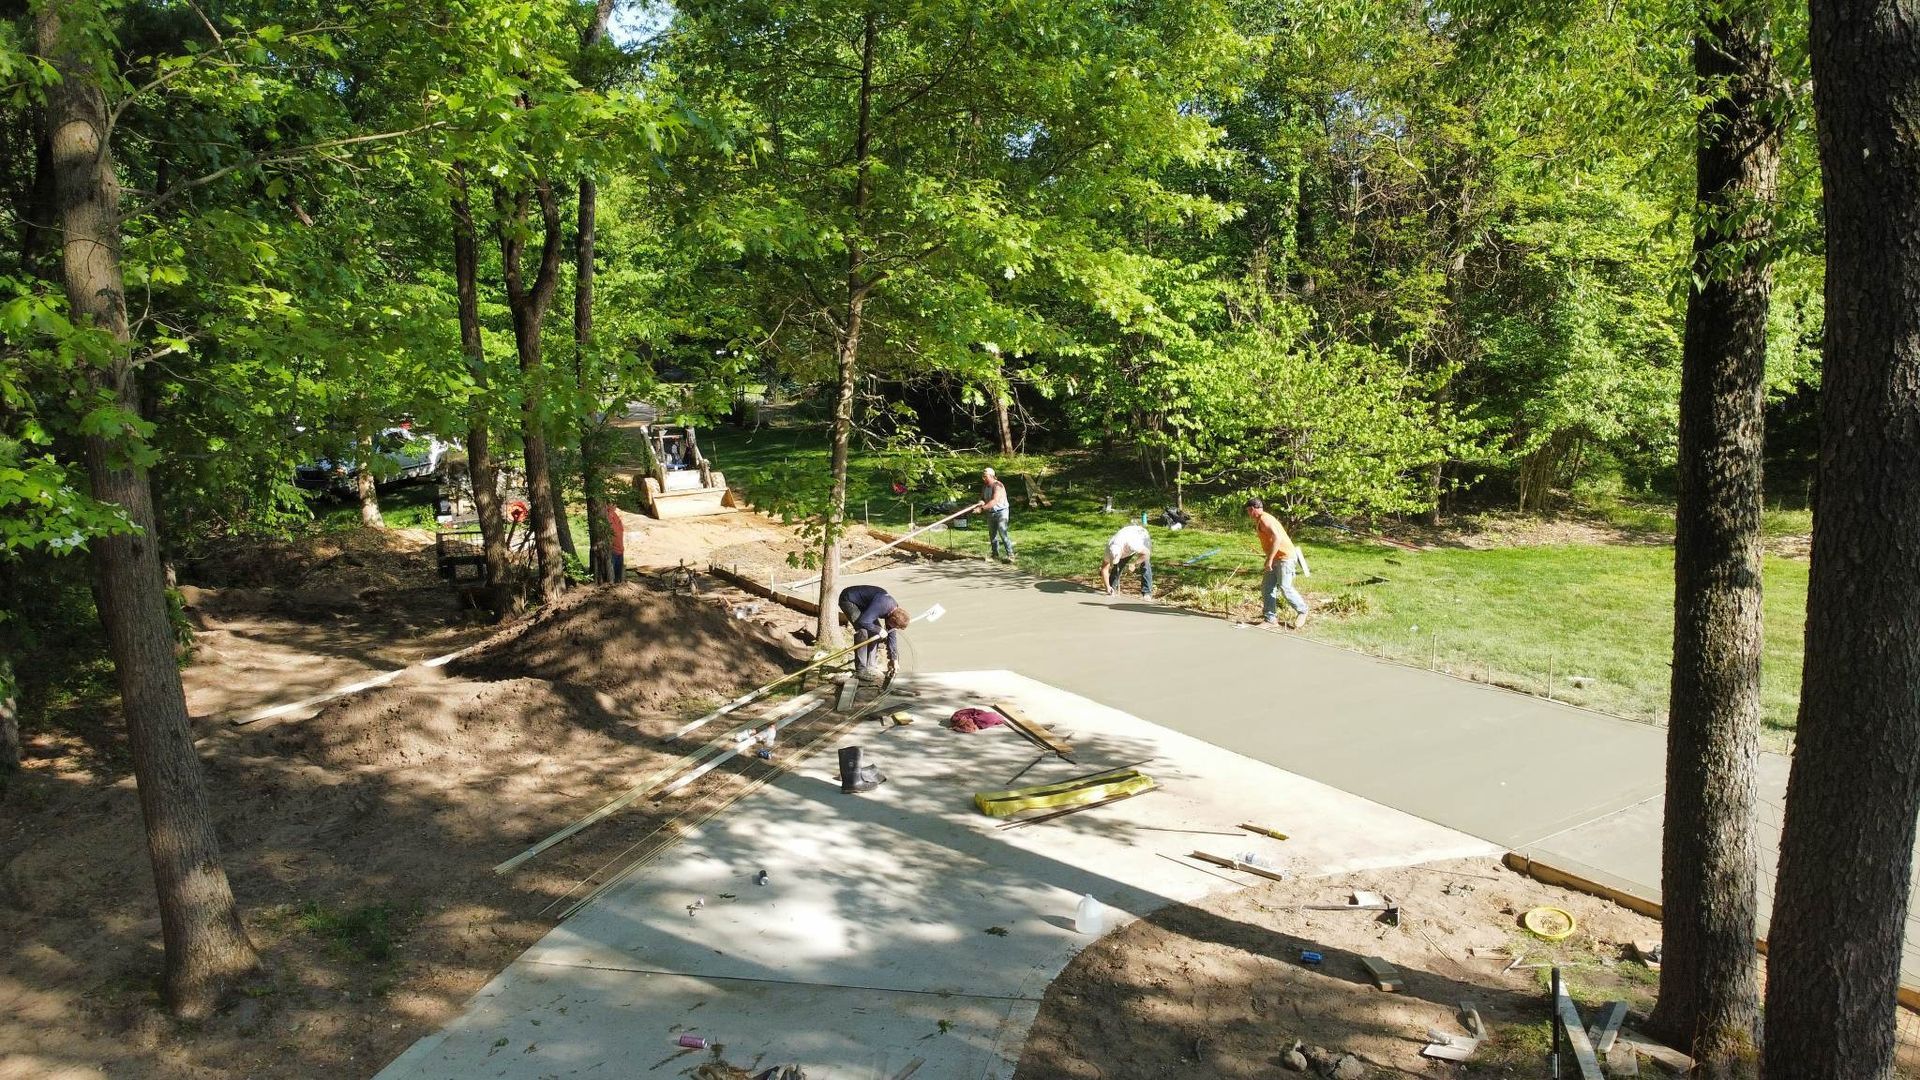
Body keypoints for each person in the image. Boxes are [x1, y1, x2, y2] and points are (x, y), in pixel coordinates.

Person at [1246, 497, 1308, 628]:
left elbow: (1277, 538)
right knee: (1267, 587)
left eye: (1248, 511)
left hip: (1285, 558)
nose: (1248, 514)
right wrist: (1270, 558)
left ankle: (1303, 611)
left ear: (1252, 510)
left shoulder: (1264, 519)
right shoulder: (1262, 519)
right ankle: (1270, 619)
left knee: (1285, 587)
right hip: (1275, 558)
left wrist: (1269, 559)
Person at [837, 583, 912, 681]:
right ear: (892, 619)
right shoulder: (883, 605)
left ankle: (871, 666)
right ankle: (861, 670)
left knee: (875, 633)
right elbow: (863, 622)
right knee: (863, 631)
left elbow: (892, 636)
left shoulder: (894, 611)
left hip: (864, 604)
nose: (894, 628)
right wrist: (879, 629)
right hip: (848, 599)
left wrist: (894, 659)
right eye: (895, 626)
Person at [973, 466, 1014, 562]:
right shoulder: (985, 487)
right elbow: (982, 498)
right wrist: (981, 501)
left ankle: (1010, 555)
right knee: (992, 535)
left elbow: (994, 501)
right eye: (983, 476)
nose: (983, 478)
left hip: (1001, 512)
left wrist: (981, 509)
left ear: (991, 476)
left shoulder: (998, 486)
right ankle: (995, 554)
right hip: (990, 513)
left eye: (985, 476)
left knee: (1002, 532)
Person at [1101, 522, 1153, 598]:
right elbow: (1104, 569)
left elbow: (1146, 554)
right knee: (1118, 566)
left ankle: (1147, 592)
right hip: (1125, 540)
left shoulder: (1132, 544)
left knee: (1145, 564)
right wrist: (1107, 586)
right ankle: (1111, 589)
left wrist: (1135, 564)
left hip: (1141, 536)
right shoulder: (1109, 549)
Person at [600, 502, 626, 583]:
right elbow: (608, 527)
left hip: (620, 549)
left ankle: (618, 583)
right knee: (612, 572)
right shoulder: (606, 515)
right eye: (612, 504)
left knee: (619, 573)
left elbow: (620, 528)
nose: (615, 506)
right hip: (613, 550)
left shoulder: (615, 515)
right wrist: (610, 512)